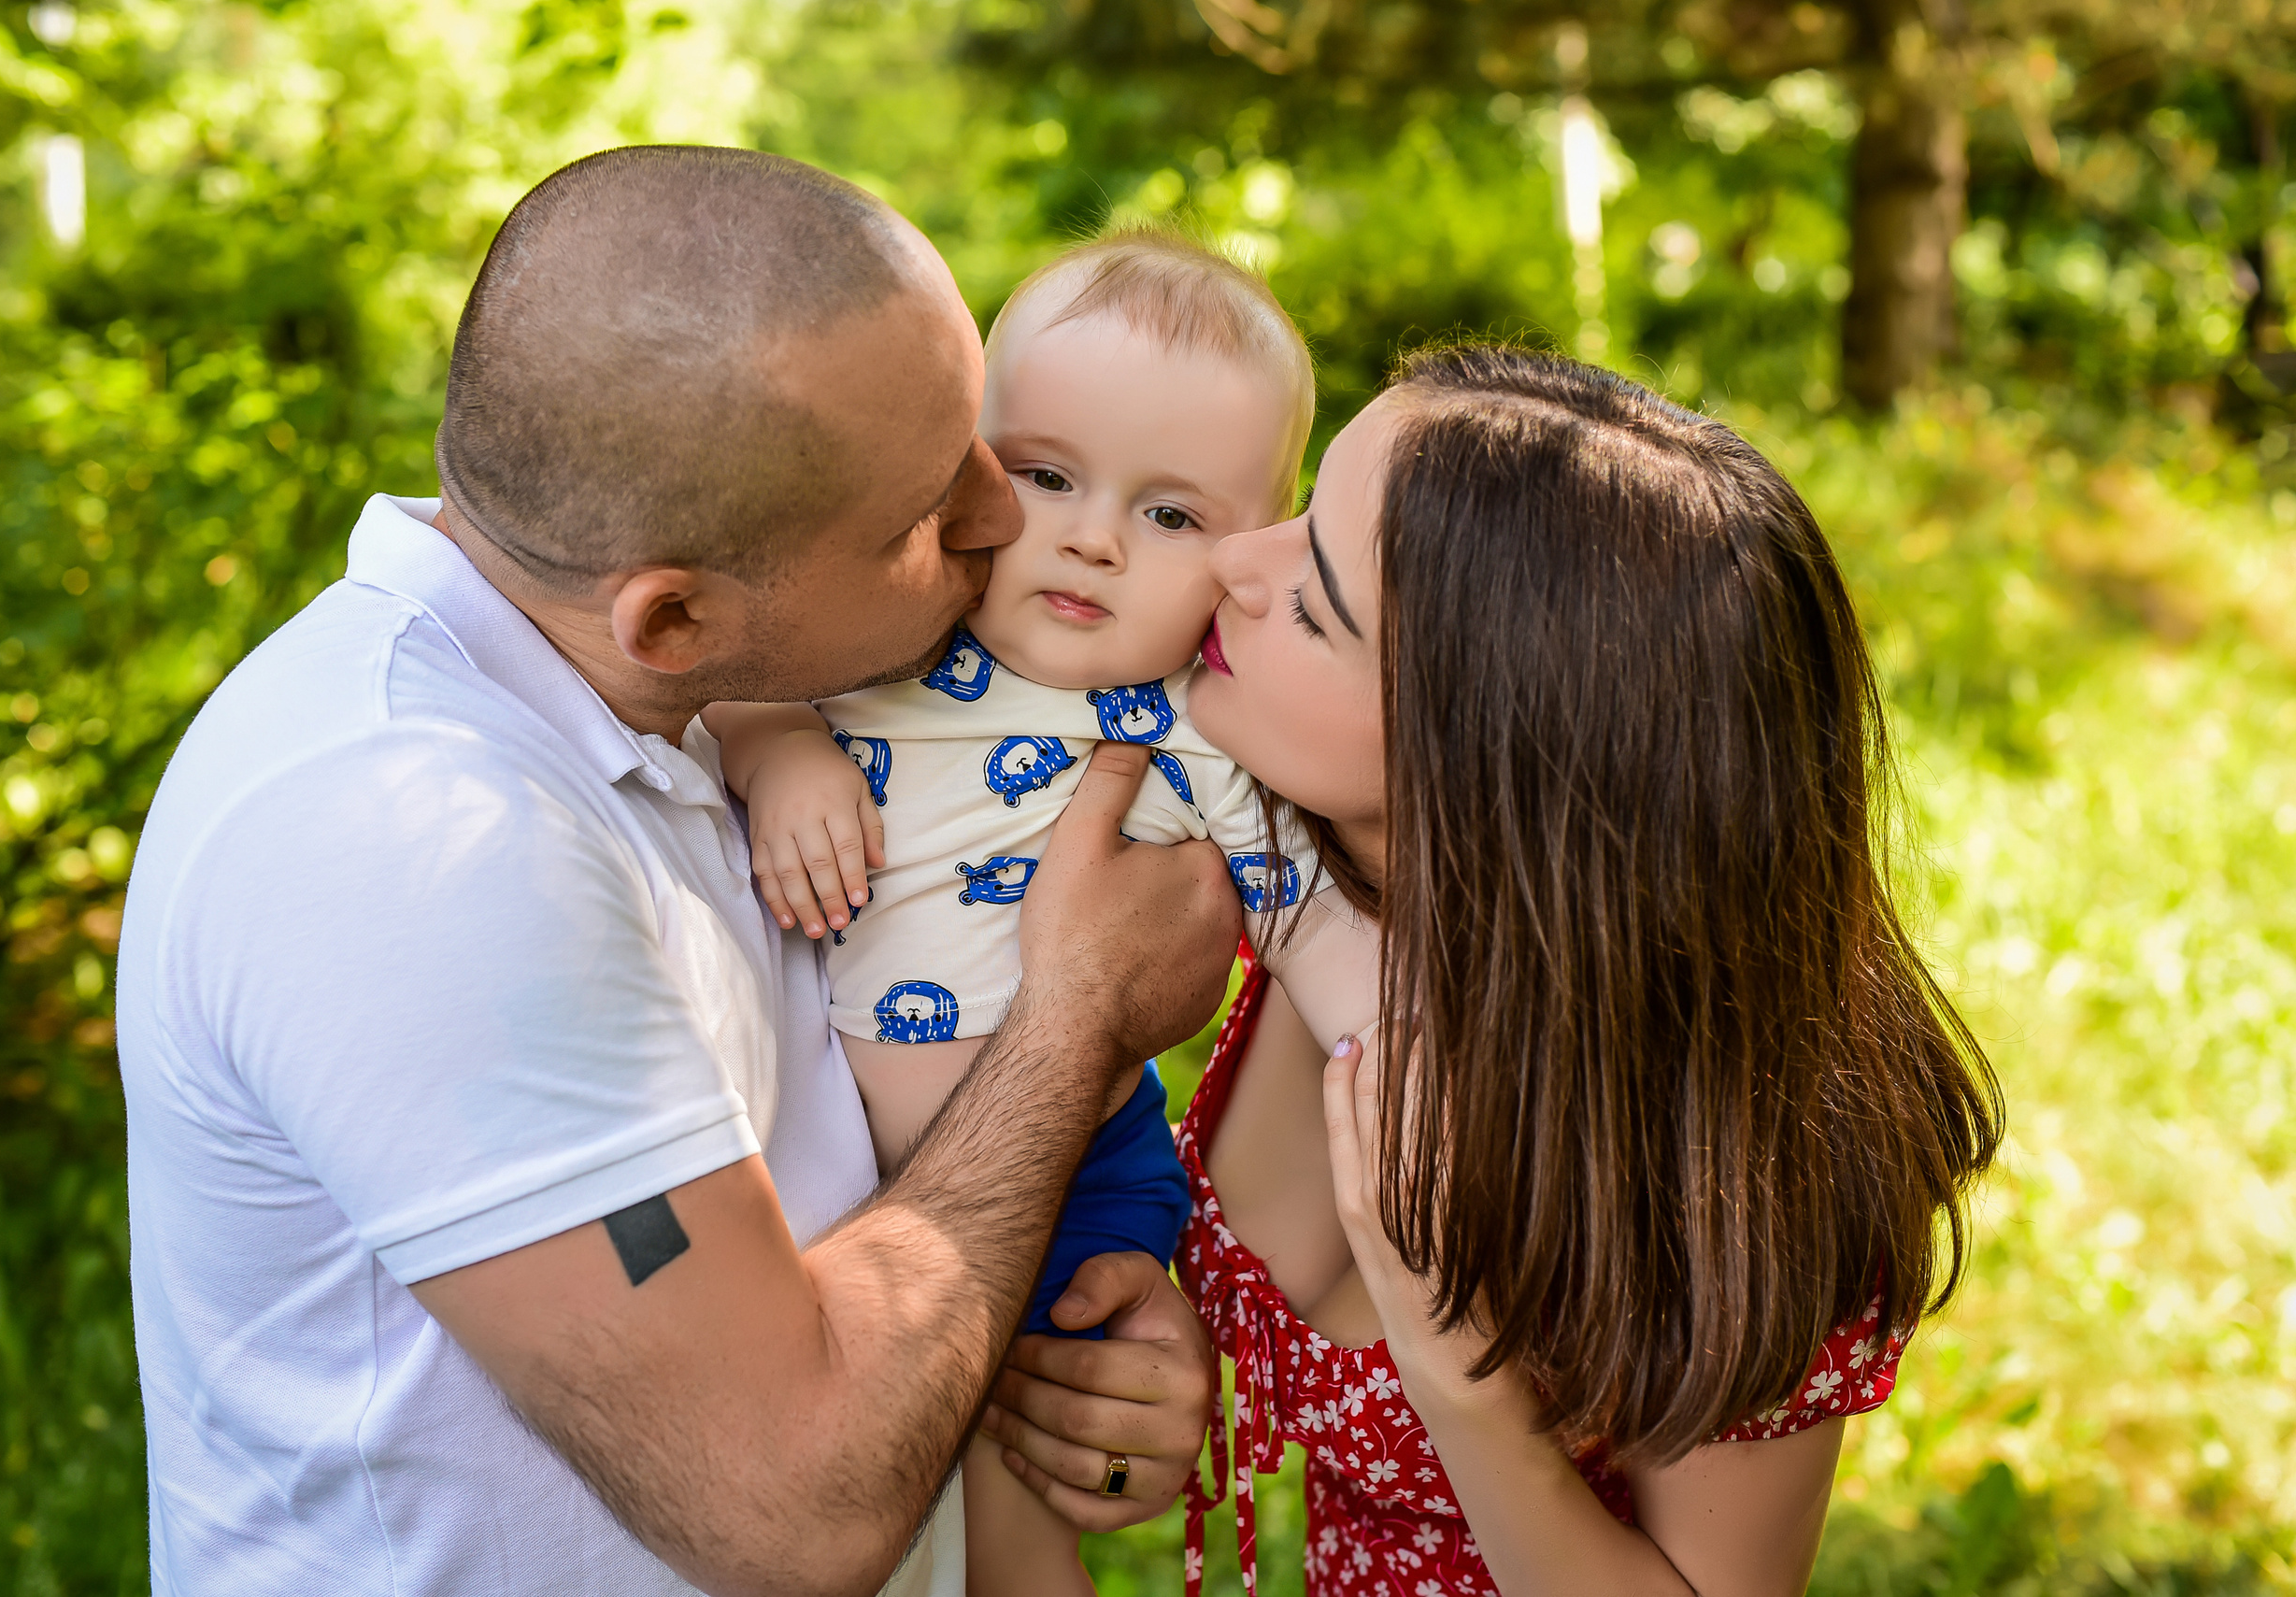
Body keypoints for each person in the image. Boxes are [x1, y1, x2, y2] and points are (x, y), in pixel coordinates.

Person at [114, 145, 1234, 1597]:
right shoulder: (412, 842)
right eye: (920, 514)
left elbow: (873, 1196)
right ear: (674, 618)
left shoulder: (731, 699)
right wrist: (1074, 1015)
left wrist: (1078, 1344)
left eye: (979, 441)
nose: (999, 518)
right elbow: (793, 1501)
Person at [988, 345, 2004, 1595]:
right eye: (1299, 516)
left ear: (1475, 758)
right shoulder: (1275, 856)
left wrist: (1461, 1375)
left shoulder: (1728, 1142)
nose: (1233, 563)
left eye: (1313, 602)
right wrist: (1144, 1381)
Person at [706, 227, 1371, 1594]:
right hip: (821, 1164)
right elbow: (720, 684)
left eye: (1172, 514)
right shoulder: (878, 651)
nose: (1092, 535)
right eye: (1047, 474)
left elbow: (1316, 930)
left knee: (1017, 1516)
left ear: (1248, 553)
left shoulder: (1199, 734)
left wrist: (1399, 1053)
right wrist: (778, 751)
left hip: (1069, 1170)